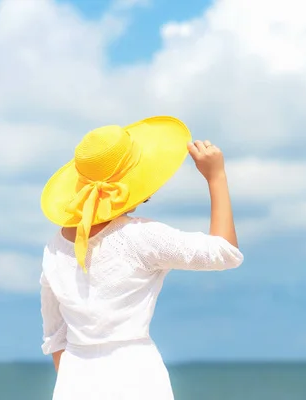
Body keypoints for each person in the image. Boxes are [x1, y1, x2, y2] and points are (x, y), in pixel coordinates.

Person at [39, 116, 244, 400]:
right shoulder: (140, 237)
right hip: (136, 378)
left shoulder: (54, 248)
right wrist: (216, 176)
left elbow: (55, 337)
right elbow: (225, 252)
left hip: (74, 384)